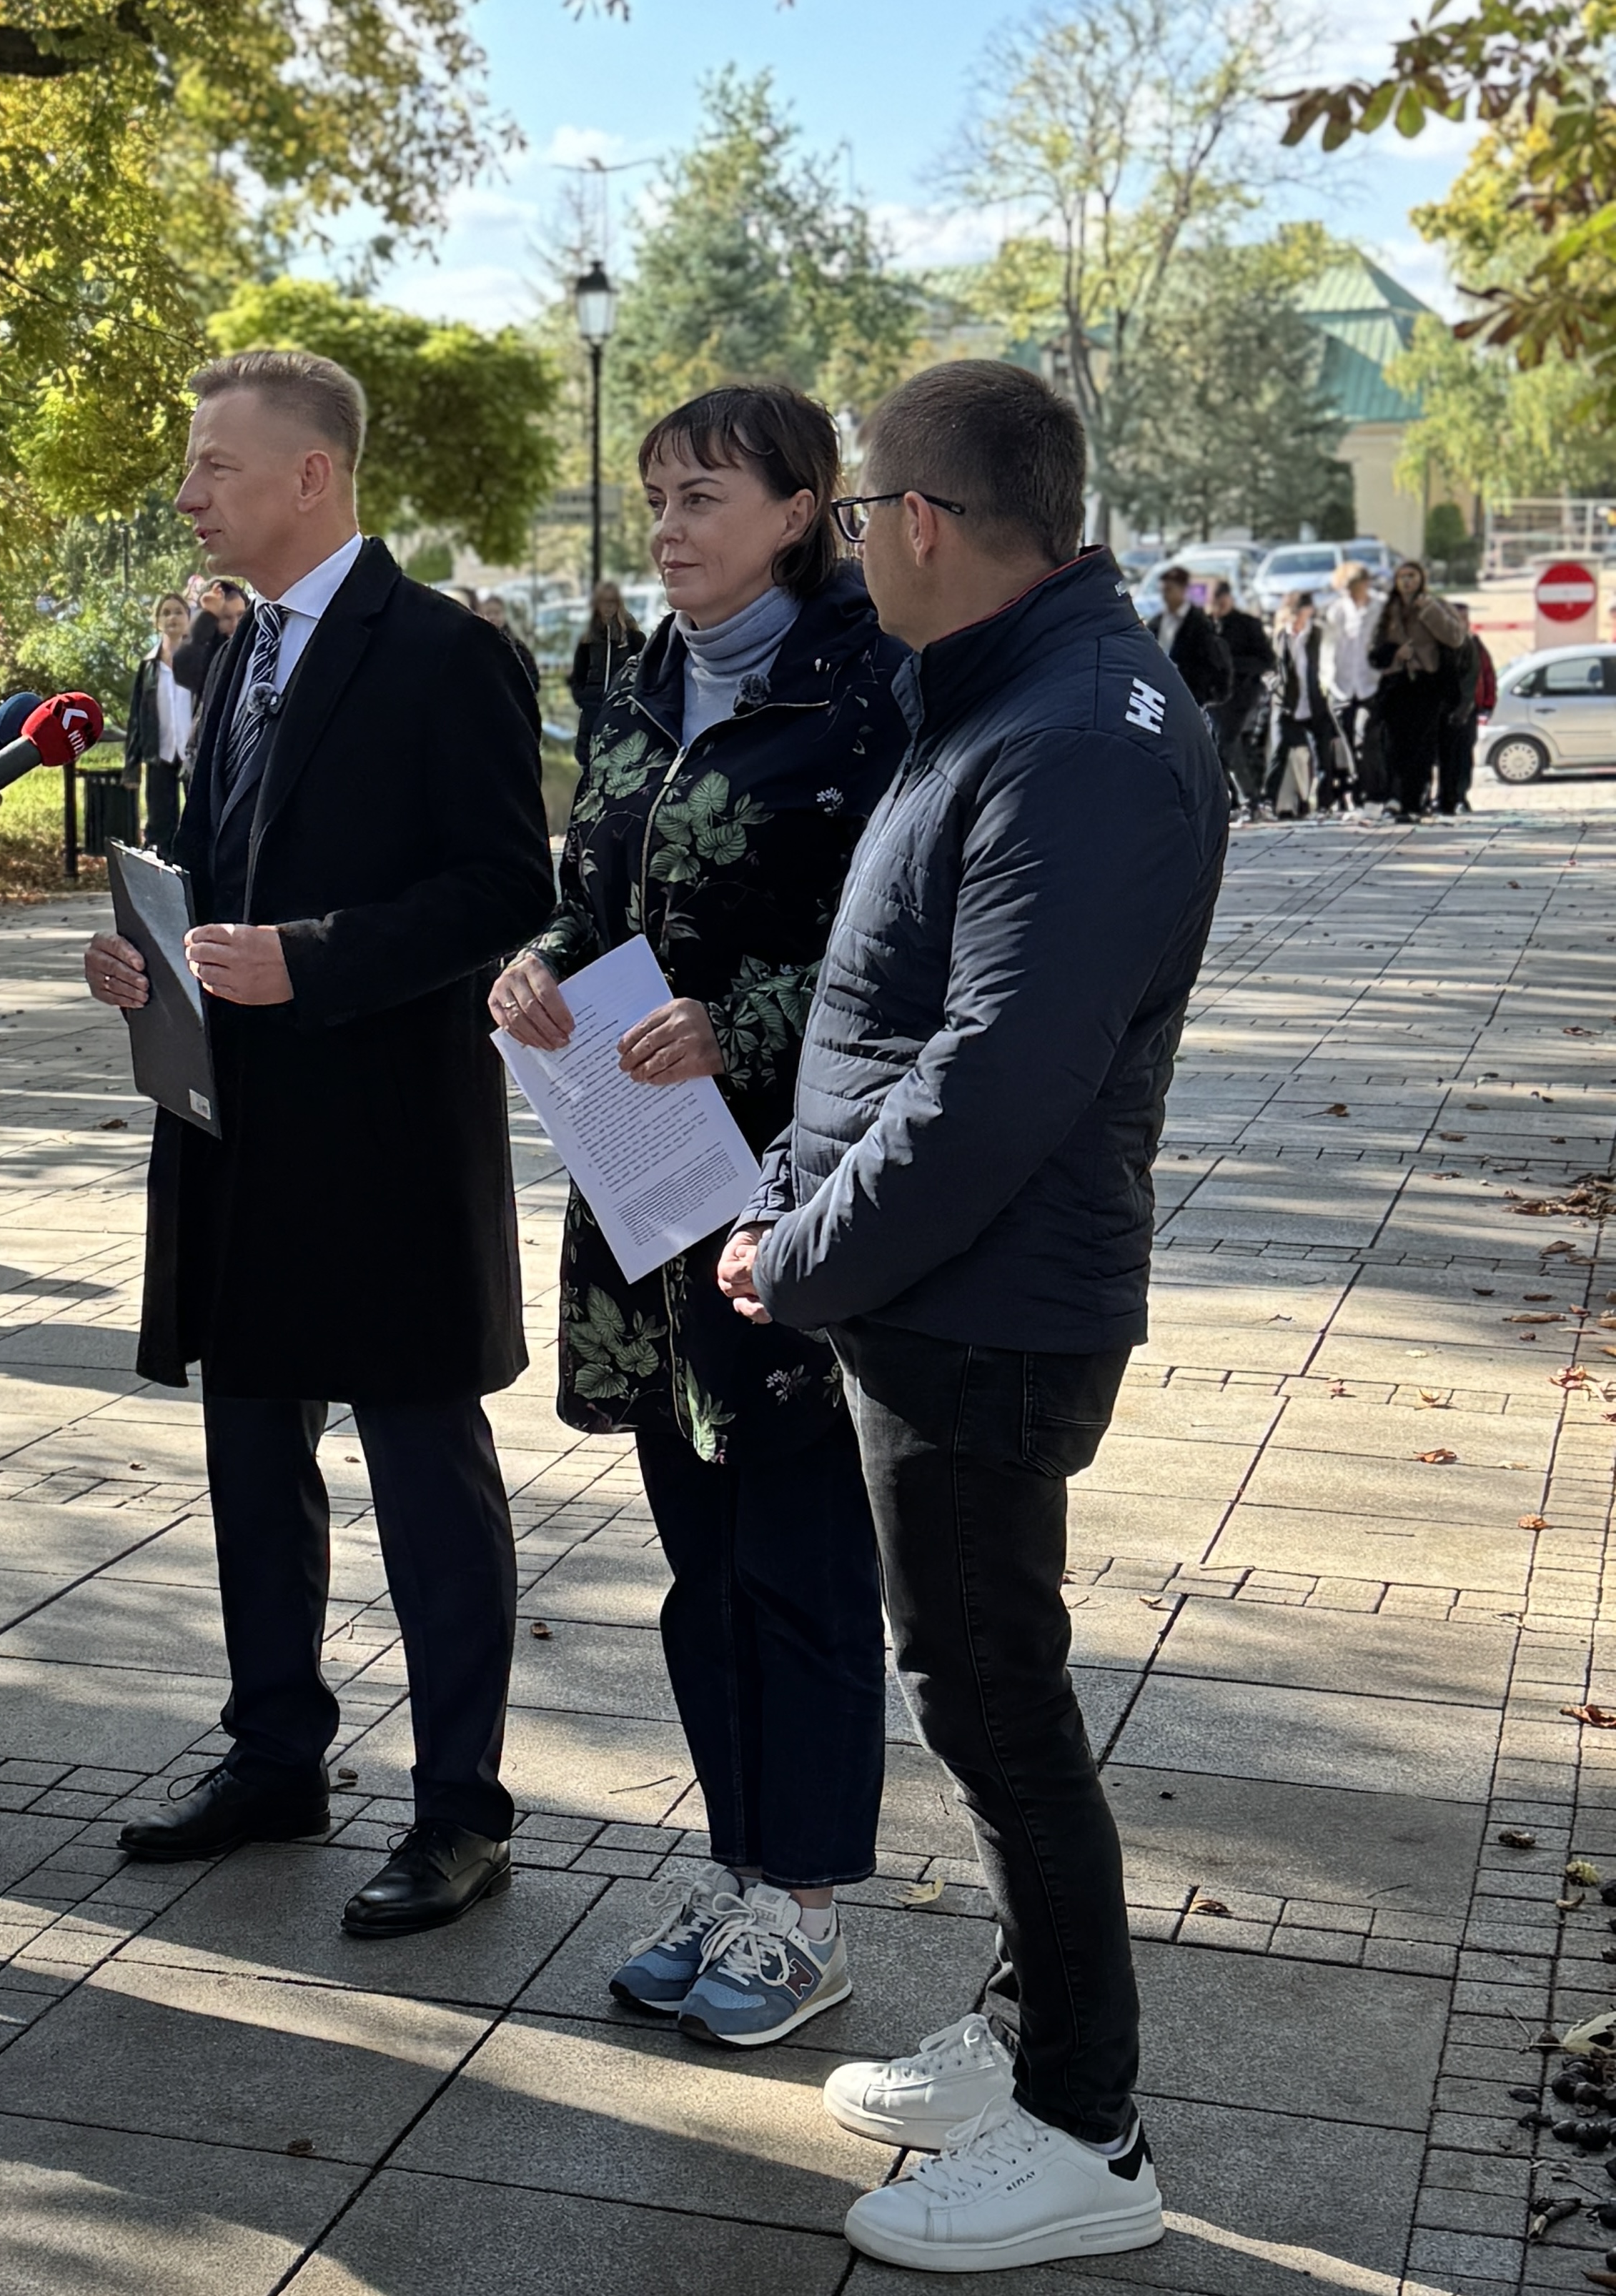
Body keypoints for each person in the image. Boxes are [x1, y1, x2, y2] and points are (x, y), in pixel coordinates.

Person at [718, 359, 1224, 2270]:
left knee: (996, 1699)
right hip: (940, 1284)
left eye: (858, 513)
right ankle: (1023, 2043)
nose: (854, 546)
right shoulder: (1012, 693)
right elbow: (886, 1018)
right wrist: (790, 1200)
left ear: (919, 521)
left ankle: (1088, 2130)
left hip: (983, 1303)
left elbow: (995, 1075)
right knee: (980, 1682)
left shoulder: (1076, 733)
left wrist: (803, 1253)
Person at [84, 349, 555, 1937]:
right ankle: (275, 1749)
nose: (187, 493)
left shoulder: (445, 654)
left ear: (313, 476)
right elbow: (215, 868)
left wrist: (316, 956)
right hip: (236, 1127)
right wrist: (145, 954)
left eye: (214, 465)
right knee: (248, 1444)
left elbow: (506, 887)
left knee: (423, 1463)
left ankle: (459, 1807)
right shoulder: (234, 653)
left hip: (389, 1137)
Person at [491, 383, 907, 2047]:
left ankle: (807, 1911)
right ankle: (738, 1868)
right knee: (700, 1565)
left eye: (704, 496)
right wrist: (535, 968)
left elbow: (913, 952)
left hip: (800, 1192)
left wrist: (739, 1023)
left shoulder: (877, 691)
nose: (667, 527)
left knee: (800, 1560)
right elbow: (587, 898)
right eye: (656, 496)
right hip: (646, 1181)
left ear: (801, 510)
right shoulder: (636, 686)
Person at [1367, 559, 1465, 822]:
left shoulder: (1435, 605)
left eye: (1412, 576)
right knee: (1395, 745)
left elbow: (1455, 637)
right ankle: (1395, 798)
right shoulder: (1389, 610)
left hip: (1426, 683)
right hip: (1396, 683)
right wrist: (1395, 654)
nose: (1407, 581)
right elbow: (1374, 647)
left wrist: (1428, 611)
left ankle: (1416, 799)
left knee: (1422, 746)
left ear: (1421, 579)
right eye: (1402, 577)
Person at [124, 593, 196, 848]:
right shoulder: (148, 666)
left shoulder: (201, 660)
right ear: (157, 622)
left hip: (194, 754)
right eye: (165, 612)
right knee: (160, 825)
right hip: (160, 754)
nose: (172, 618)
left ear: (188, 618)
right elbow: (137, 717)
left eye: (178, 612)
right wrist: (131, 765)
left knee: (197, 822)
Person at [1205, 577, 1276, 818]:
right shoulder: (1205, 626)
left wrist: (1233, 665)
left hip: (1241, 694)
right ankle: (1243, 799)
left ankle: (1235, 799)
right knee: (1225, 747)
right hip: (1214, 697)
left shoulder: (1247, 625)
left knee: (1226, 744)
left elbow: (1266, 660)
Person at [1270, 591, 1342, 817]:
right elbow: (1272, 668)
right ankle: (1271, 802)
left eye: (1299, 613)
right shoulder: (1281, 637)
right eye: (1292, 614)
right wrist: (1275, 685)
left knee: (1323, 757)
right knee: (1282, 754)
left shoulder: (1318, 634)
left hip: (1316, 706)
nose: (1295, 620)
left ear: (1309, 611)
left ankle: (1324, 804)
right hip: (1289, 706)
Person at [566, 579, 643, 775]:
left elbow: (644, 672)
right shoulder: (588, 640)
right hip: (593, 708)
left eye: (612, 602)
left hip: (621, 709)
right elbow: (578, 675)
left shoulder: (633, 637)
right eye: (604, 602)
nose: (608, 608)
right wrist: (583, 698)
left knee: (618, 758)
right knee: (587, 759)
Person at [1323, 562, 1383, 805]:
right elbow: (1328, 647)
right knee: (1347, 745)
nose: (1348, 592)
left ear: (1365, 584)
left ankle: (1373, 793)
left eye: (1352, 586)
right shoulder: (1336, 611)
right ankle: (1357, 792)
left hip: (1371, 683)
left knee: (1365, 737)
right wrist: (1327, 678)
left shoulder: (1379, 607)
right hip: (1342, 686)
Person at [1148, 567, 1229, 733]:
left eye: (1169, 590)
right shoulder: (1157, 623)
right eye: (1163, 590)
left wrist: (1204, 695)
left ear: (1182, 590)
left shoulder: (1199, 624)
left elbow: (1212, 662)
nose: (1165, 595)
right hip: (1160, 698)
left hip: (1190, 698)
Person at [1439, 609, 1490, 815]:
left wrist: (1486, 703)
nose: (1462, 623)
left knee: (1463, 754)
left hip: (1468, 708)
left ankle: (1460, 796)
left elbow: (1486, 674)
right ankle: (1443, 797)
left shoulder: (1474, 645)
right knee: (1444, 755)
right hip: (1442, 708)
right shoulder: (1438, 644)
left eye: (1465, 619)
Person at [172, 577, 249, 697]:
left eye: (240, 615)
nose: (235, 624)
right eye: (226, 618)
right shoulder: (207, 651)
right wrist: (207, 616)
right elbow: (186, 673)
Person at [475, 593, 541, 690]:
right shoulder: (478, 644)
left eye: (497, 613)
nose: (492, 617)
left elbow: (532, 675)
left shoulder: (516, 645)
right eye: (488, 614)